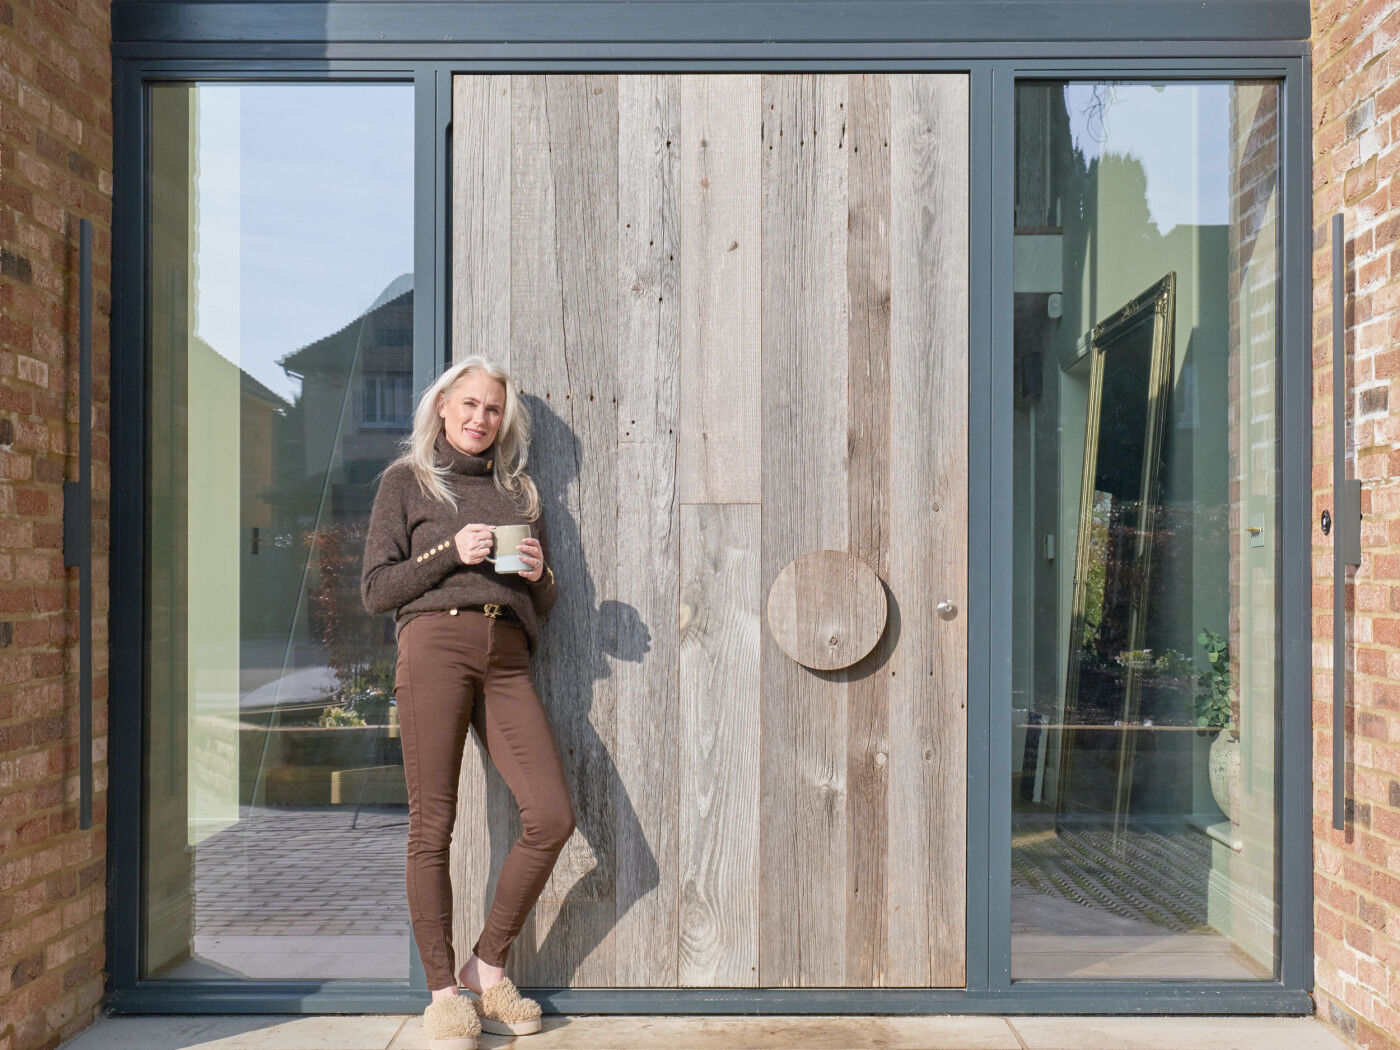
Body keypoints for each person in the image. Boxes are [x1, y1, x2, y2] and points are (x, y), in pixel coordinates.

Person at [361, 355, 575, 1047]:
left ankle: (485, 965)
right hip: (434, 648)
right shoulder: (407, 482)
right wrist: (449, 551)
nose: (480, 419)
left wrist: (541, 579)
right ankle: (442, 993)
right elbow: (376, 590)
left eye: (493, 410)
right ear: (443, 407)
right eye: (470, 405)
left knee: (551, 815)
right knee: (433, 825)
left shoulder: (521, 494)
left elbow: (537, 599)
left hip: (507, 654)